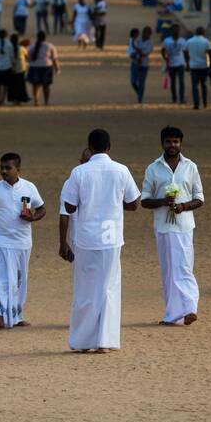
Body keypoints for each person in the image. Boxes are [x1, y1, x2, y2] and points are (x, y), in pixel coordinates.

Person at [60, 128, 140, 352]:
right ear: (109, 147)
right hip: (112, 237)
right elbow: (134, 203)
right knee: (109, 288)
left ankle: (83, 341)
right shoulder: (121, 170)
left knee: (85, 289)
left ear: (90, 147)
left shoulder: (79, 172)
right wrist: (114, 203)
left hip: (86, 237)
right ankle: (105, 341)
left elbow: (69, 206)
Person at [141, 126, 203, 326]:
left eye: (176, 142)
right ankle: (172, 315)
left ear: (181, 143)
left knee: (184, 268)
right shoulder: (153, 168)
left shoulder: (191, 167)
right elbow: (144, 200)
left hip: (184, 226)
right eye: (168, 142)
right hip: (163, 227)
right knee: (168, 271)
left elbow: (199, 198)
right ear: (162, 143)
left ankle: (190, 308)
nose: (172, 145)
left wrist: (183, 206)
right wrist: (163, 202)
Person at [0, 154, 45, 329]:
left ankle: (17, 315)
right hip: (2, 240)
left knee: (20, 279)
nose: (3, 171)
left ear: (18, 169)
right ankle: (1, 315)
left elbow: (42, 209)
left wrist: (32, 218)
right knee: (2, 278)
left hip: (23, 242)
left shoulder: (29, 187)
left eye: (8, 168)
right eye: (1, 167)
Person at [27, 31, 60, 105]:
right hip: (46, 67)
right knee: (46, 86)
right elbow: (54, 58)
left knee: (35, 85)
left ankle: (36, 100)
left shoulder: (32, 46)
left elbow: (29, 59)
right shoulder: (50, 45)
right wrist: (57, 68)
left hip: (34, 67)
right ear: (45, 37)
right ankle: (46, 101)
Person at [185, 26, 211, 110]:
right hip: (204, 65)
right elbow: (210, 53)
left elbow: (185, 52)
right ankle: (205, 102)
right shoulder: (206, 41)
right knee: (204, 85)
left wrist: (188, 63)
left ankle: (196, 103)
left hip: (193, 66)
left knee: (195, 86)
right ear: (203, 33)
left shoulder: (189, 41)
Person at [162, 23, 187, 105]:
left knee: (181, 82)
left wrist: (188, 62)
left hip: (181, 63)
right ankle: (174, 98)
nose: (175, 31)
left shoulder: (182, 41)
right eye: (174, 30)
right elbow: (163, 50)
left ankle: (182, 98)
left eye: (177, 30)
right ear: (171, 31)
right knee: (173, 82)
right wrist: (165, 59)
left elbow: (186, 52)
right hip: (171, 63)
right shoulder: (167, 40)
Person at [8, 34, 30, 104]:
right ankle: (20, 98)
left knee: (12, 84)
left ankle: (14, 99)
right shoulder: (22, 48)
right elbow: (27, 57)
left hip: (11, 68)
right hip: (21, 68)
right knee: (21, 84)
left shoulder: (9, 48)